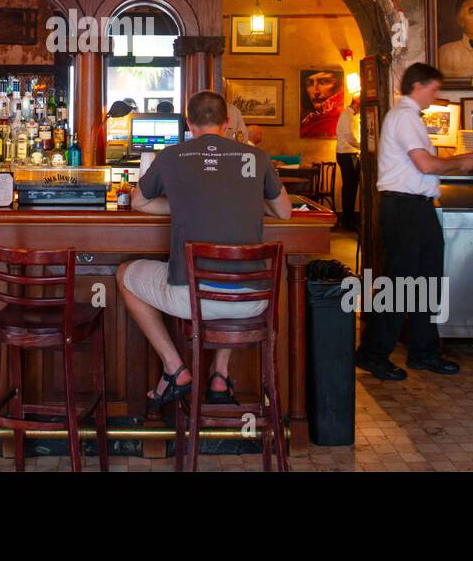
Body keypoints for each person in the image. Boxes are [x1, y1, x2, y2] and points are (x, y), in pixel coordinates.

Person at [119, 91, 291, 407]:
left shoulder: (171, 156)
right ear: (227, 123)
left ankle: (175, 368)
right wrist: (248, 202)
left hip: (191, 300)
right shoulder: (256, 157)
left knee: (124, 275)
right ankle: (219, 375)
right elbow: (285, 212)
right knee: (234, 274)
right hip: (252, 302)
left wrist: (183, 207)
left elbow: (138, 201)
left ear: (189, 124)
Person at [355, 64, 473, 381]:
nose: (436, 95)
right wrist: (461, 161)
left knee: (426, 281)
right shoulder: (404, 117)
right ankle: (372, 354)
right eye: (433, 89)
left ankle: (424, 352)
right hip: (405, 208)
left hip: (417, 207)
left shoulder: (410, 118)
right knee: (401, 283)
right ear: (418, 86)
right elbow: (425, 164)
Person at [335, 96, 361, 231]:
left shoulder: (350, 116)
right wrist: (362, 146)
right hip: (347, 155)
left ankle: (348, 219)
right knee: (350, 187)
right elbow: (350, 137)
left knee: (350, 187)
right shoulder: (347, 116)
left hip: (347, 154)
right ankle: (347, 220)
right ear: (356, 104)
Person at [299, 70, 343, 138]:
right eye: (310, 83)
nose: (316, 92)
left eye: (325, 81)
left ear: (342, 84)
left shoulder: (342, 119)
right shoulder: (307, 120)